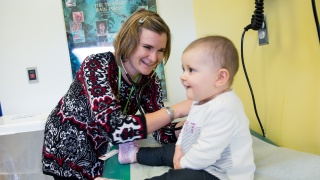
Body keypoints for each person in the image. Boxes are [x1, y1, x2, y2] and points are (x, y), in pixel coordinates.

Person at [42, 9, 191, 180]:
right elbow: (115, 128)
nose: (154, 57)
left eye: (160, 50)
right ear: (129, 42)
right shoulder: (96, 65)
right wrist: (178, 109)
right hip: (70, 149)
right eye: (147, 47)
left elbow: (161, 131)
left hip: (103, 148)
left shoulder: (150, 79)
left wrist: (187, 128)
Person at [118, 35, 256, 180]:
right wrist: (178, 148)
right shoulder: (199, 100)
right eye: (183, 69)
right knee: (167, 152)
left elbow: (206, 152)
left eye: (191, 70)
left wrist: (182, 164)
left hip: (220, 174)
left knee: (179, 177)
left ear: (220, 77)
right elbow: (188, 129)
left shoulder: (225, 107)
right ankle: (134, 154)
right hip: (200, 159)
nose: (182, 76)